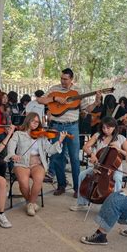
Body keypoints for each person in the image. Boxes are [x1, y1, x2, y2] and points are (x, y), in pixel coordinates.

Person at [37, 68, 101, 197]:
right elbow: (40, 100)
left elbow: (86, 109)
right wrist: (55, 98)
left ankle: (78, 188)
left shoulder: (78, 91)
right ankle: (61, 185)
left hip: (72, 127)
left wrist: (96, 102)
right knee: (57, 157)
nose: (63, 81)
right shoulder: (54, 89)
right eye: (61, 78)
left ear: (72, 79)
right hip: (56, 127)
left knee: (74, 158)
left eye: (65, 79)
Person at [5, 113, 66, 216]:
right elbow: (11, 145)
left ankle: (30, 204)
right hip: (22, 163)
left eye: (37, 122)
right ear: (28, 121)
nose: (35, 124)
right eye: (33, 121)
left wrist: (59, 141)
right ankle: (31, 203)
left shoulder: (41, 135)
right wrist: (13, 154)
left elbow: (50, 150)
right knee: (23, 183)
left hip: (37, 163)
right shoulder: (19, 134)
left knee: (38, 179)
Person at [70, 117, 127, 211]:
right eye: (103, 128)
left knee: (118, 179)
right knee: (82, 174)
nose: (105, 130)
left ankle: (116, 206)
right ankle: (82, 203)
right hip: (99, 167)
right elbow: (85, 147)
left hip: (114, 169)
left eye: (108, 128)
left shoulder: (121, 138)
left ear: (114, 127)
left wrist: (118, 149)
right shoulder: (98, 135)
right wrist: (92, 155)